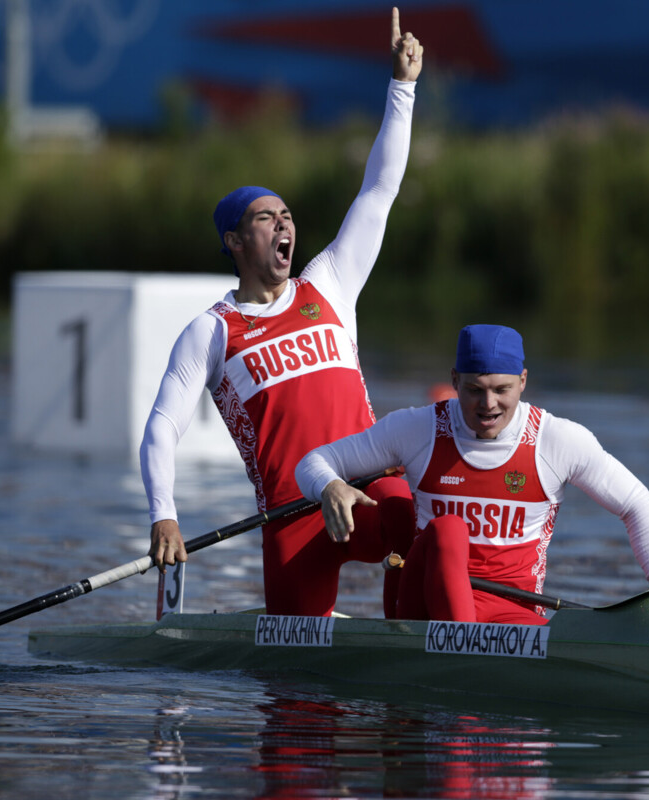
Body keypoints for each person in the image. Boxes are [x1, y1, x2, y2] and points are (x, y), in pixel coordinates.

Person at [141, 8, 423, 618]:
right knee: (292, 704)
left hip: (370, 479)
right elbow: (162, 427)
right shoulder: (212, 332)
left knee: (409, 520)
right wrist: (164, 512)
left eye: (287, 215)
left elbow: (380, 190)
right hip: (294, 511)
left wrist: (402, 87)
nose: (285, 224)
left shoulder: (330, 283)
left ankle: (409, 644)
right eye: (267, 218)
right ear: (236, 243)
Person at [295, 324, 649, 625]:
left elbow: (638, 506)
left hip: (512, 612)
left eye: (502, 390)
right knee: (449, 530)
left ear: (523, 382)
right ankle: (464, 651)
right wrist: (330, 485)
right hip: (423, 606)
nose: (488, 405)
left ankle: (473, 656)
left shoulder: (557, 440)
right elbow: (311, 462)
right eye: (475, 389)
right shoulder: (418, 429)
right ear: (455, 380)